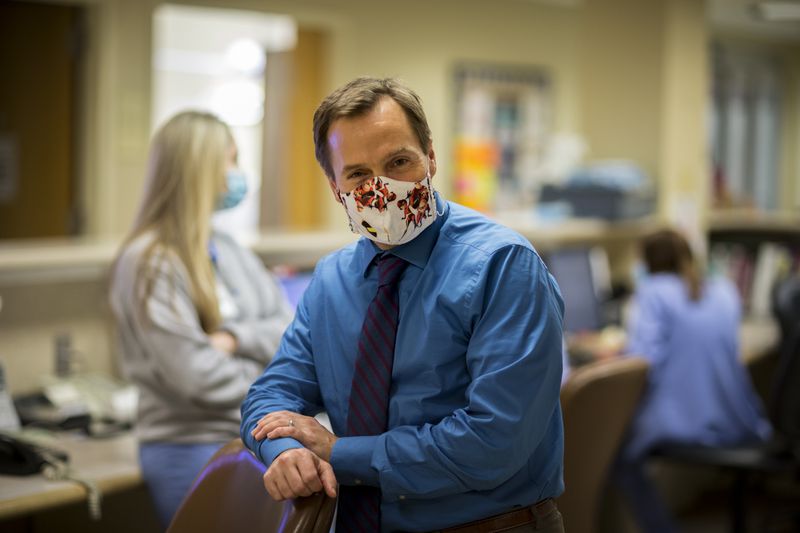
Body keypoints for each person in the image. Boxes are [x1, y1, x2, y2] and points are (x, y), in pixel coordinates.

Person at [240, 77, 566, 532]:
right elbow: (270, 395)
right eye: (357, 174)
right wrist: (288, 450)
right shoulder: (332, 280)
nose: (382, 189)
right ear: (335, 186)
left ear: (431, 157)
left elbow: (494, 442)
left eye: (398, 162)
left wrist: (338, 453)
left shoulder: (502, 266)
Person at [109, 111, 293, 527]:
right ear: (200, 168)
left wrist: (231, 337)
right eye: (230, 161)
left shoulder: (229, 249)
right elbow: (197, 377)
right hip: (190, 446)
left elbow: (288, 329)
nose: (238, 174)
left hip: (250, 437)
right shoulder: (149, 262)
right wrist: (275, 386)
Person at [613, 228, 772, 533]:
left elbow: (641, 360)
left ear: (647, 263)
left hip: (684, 421)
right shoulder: (724, 289)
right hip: (736, 417)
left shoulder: (653, 291)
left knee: (620, 456)